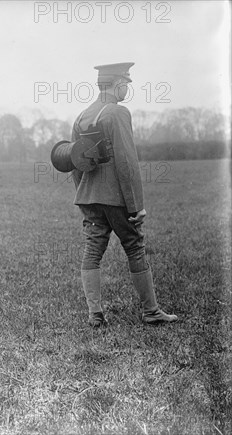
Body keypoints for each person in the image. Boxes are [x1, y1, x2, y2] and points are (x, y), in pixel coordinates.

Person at [71, 62, 178, 328]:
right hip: (116, 197)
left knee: (93, 250)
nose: (128, 89)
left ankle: (95, 314)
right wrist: (136, 206)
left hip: (89, 196)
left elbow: (73, 159)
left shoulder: (82, 115)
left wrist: (83, 194)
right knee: (134, 246)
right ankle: (151, 311)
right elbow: (126, 162)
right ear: (117, 84)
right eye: (126, 84)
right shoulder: (118, 113)